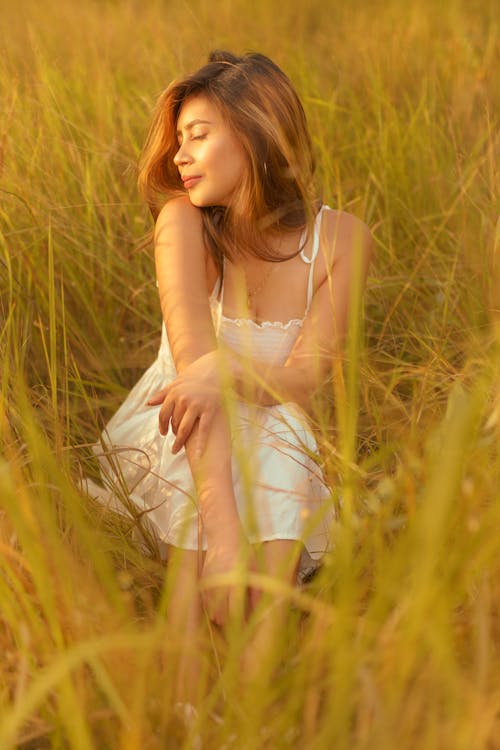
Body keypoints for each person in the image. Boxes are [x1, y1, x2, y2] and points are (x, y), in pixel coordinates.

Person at [85, 50, 372, 708]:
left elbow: (302, 376)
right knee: (198, 498)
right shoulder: (182, 222)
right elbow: (193, 379)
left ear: (257, 129)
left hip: (273, 413)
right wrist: (221, 543)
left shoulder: (342, 240)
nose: (179, 157)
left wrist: (231, 366)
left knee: (283, 462)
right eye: (178, 140)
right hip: (178, 419)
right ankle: (183, 711)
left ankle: (247, 714)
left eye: (198, 135)